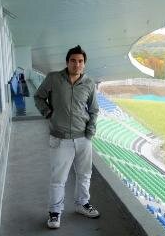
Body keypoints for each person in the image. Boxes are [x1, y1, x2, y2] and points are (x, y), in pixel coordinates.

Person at [34, 45, 100, 229]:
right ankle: (54, 213)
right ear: (67, 62)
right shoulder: (53, 78)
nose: (76, 64)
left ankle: (82, 204)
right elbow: (39, 97)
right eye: (73, 60)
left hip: (83, 138)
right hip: (60, 138)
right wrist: (48, 113)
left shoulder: (89, 83)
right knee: (58, 178)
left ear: (84, 64)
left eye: (80, 61)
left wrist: (91, 128)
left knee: (85, 175)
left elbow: (94, 109)